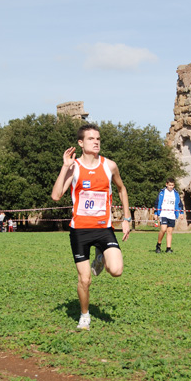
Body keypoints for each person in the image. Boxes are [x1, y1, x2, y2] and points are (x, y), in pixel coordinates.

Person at [51, 123, 131, 331]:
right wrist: (65, 166)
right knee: (85, 279)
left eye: (98, 139)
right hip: (80, 231)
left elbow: (122, 190)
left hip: (104, 228)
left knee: (116, 270)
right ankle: (84, 315)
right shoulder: (75, 167)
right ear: (81, 142)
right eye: (90, 139)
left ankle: (100, 255)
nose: (96, 142)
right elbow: (56, 195)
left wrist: (127, 218)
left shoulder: (109, 166)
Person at [154, 177, 184, 253]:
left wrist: (181, 213)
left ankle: (168, 248)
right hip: (163, 214)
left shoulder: (176, 194)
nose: (171, 187)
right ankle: (158, 245)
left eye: (172, 185)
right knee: (163, 229)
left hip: (172, 215)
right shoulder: (162, 192)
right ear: (166, 184)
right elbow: (157, 203)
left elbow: (180, 204)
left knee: (169, 232)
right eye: (170, 185)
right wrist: (155, 213)